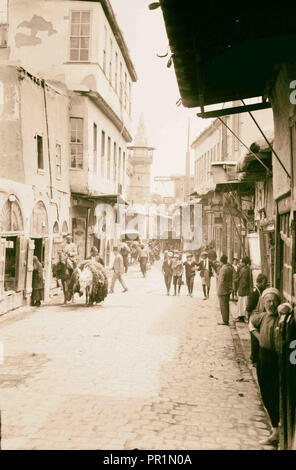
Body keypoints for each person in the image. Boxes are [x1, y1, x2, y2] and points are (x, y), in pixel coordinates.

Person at [249, 288, 291, 446]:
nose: (271, 304)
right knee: (266, 392)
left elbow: (287, 310)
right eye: (268, 301)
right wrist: (259, 337)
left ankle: (277, 430)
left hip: (277, 359)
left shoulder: (281, 317)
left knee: (276, 394)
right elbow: (251, 322)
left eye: (274, 301)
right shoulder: (263, 316)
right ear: (263, 303)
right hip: (263, 358)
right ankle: (275, 429)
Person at [246, 273, 268, 366]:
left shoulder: (261, 291)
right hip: (254, 316)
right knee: (255, 338)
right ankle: (254, 358)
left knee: (257, 337)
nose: (265, 284)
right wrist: (248, 318)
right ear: (260, 282)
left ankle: (255, 356)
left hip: (259, 316)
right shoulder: (254, 292)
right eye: (264, 282)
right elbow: (249, 307)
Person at [217, 254, 233, 325]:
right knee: (226, 305)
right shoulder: (230, 268)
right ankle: (226, 319)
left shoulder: (223, 269)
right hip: (228, 289)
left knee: (223, 306)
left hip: (222, 290)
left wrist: (218, 290)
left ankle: (225, 320)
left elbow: (221, 280)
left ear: (221, 262)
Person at [236, 256, 252, 322]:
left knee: (243, 303)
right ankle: (242, 316)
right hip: (243, 289)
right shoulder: (246, 269)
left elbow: (244, 281)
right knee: (242, 303)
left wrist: (242, 286)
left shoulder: (245, 270)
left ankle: (243, 317)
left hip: (244, 289)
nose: (240, 263)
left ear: (244, 263)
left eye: (242, 262)